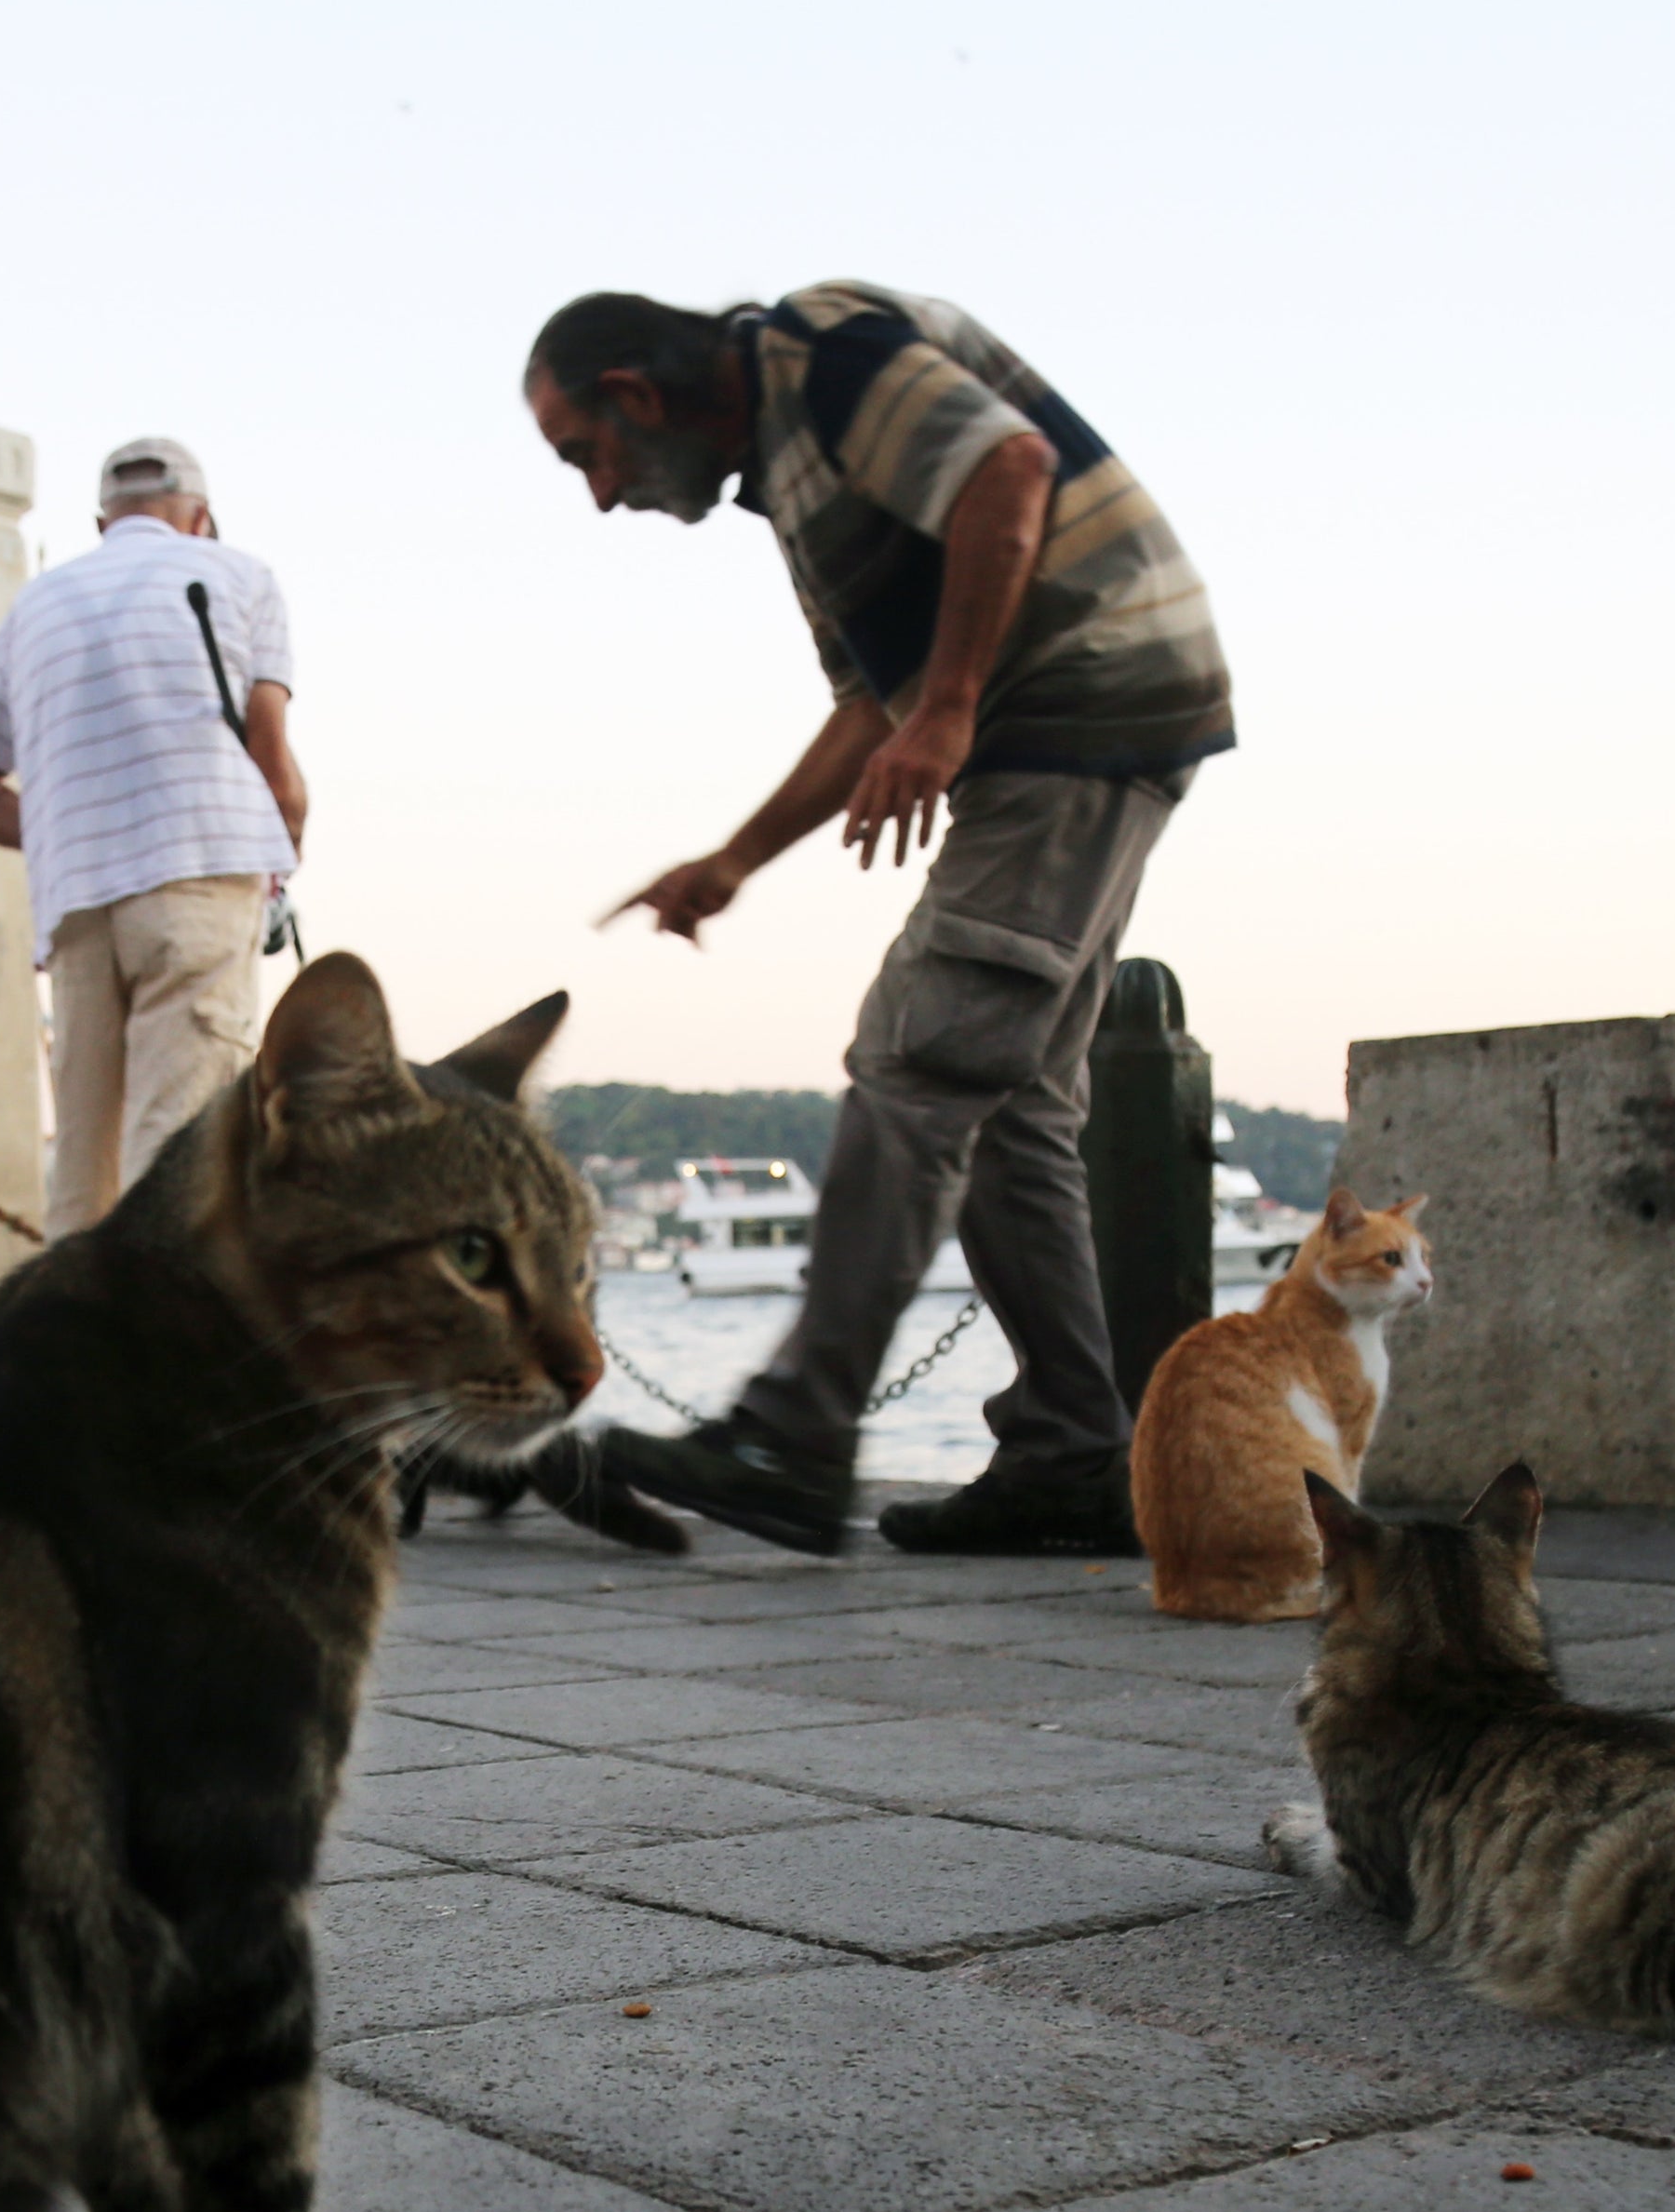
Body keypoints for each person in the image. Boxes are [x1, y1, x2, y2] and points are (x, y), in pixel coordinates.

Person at [525, 285, 1234, 1556]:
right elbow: (872, 706)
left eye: (587, 453)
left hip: (1078, 702)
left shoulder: (823, 354)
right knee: (1010, 1106)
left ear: (635, 395)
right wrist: (732, 861)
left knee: (917, 1058)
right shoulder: (796, 480)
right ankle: (1074, 1457)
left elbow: (1007, 472)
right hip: (1104, 705)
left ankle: (796, 1432)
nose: (598, 492)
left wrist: (953, 706)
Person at [0, 436, 307, 1236]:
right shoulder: (240, 575)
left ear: (103, 519)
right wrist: (285, 857)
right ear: (200, 518)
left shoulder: (37, 603)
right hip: (202, 881)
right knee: (178, 1148)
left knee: (83, 1163)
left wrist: (79, 826)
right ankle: (167, 1358)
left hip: (76, 905)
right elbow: (276, 770)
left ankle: (75, 1353)